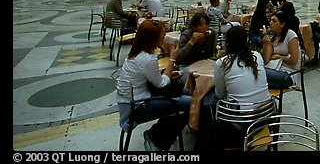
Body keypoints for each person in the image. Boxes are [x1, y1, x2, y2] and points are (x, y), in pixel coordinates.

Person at [115, 19, 192, 152]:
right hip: (138, 106)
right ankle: (158, 143)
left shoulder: (136, 54)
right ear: (153, 38)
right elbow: (161, 84)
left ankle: (155, 133)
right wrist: (173, 59)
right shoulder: (146, 59)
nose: (164, 35)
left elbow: (156, 79)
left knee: (185, 93)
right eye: (162, 33)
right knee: (191, 103)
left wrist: (168, 75)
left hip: (130, 101)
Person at [195, 26, 270, 151]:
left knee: (207, 101)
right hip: (264, 116)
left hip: (240, 122)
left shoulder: (222, 62)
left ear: (227, 43)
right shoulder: (257, 56)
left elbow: (219, 94)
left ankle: (202, 139)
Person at [262, 11, 302, 89]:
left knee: (259, 73)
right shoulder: (273, 37)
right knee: (256, 71)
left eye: (274, 21)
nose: (270, 23)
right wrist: (266, 44)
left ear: (282, 24)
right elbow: (266, 60)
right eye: (270, 20)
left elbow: (294, 60)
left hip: (289, 74)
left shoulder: (290, 35)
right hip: (275, 69)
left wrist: (280, 57)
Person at [174, 12, 216, 81]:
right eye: (200, 25)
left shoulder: (212, 34)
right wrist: (191, 42)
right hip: (186, 65)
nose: (204, 28)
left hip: (203, 64)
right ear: (194, 27)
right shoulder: (186, 35)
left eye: (206, 24)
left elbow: (211, 53)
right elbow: (179, 59)